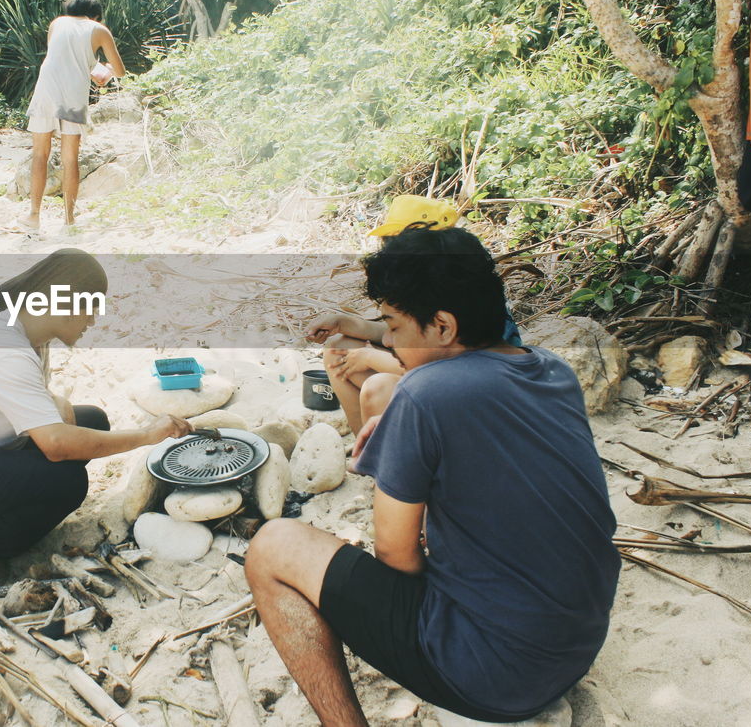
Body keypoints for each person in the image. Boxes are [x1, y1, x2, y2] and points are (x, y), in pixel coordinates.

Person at [246, 227, 619, 726]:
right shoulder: (550, 370)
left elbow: (395, 555)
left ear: (442, 325)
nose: (391, 341)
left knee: (272, 546)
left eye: (395, 326)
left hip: (492, 678)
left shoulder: (426, 393)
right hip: (575, 648)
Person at [0, 249, 192, 562]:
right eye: (91, 308)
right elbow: (55, 446)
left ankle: (6, 505)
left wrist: (57, 404)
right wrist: (147, 435)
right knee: (67, 482)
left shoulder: (23, 330)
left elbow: (17, 394)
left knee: (91, 420)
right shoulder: (6, 350)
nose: (92, 320)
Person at [306, 196, 520, 442]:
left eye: (395, 240)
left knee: (379, 387)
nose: (388, 248)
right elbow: (402, 333)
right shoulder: (427, 281)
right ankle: (366, 450)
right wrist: (344, 324)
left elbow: (444, 367)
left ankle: (384, 460)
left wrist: (369, 356)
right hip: (445, 373)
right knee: (339, 348)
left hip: (459, 391)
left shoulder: (456, 287)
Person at [22, 0, 126, 231]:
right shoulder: (99, 29)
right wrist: (106, 70)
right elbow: (119, 71)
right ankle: (69, 219)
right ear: (95, 15)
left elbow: (61, 58)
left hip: (46, 90)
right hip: (74, 95)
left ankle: (34, 215)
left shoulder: (56, 23)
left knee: (40, 154)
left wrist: (91, 68)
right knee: (70, 158)